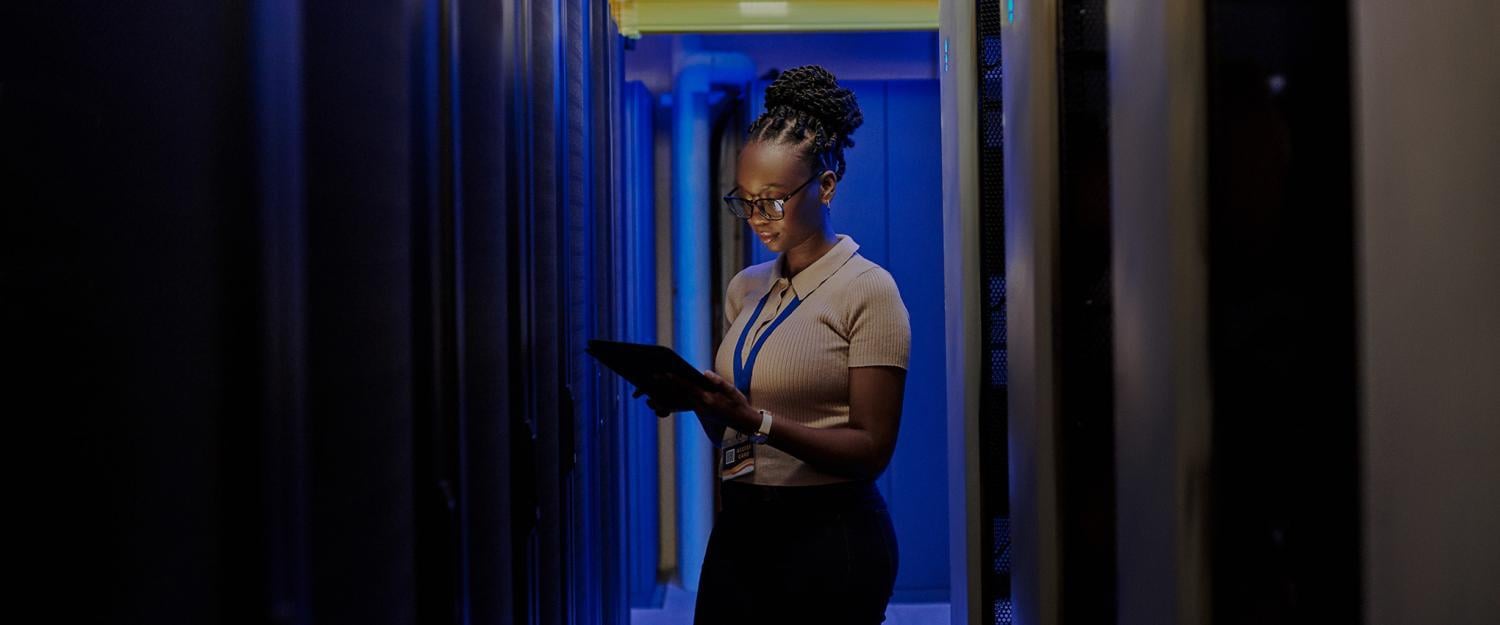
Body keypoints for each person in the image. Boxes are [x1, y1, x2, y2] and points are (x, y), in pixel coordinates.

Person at [643, 65, 911, 625]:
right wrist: (704, 402)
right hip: (742, 526)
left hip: (829, 534)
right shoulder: (746, 287)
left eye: (774, 200)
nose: (758, 217)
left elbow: (871, 451)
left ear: (827, 186)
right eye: (745, 201)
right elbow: (733, 429)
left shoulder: (869, 290)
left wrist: (757, 420)